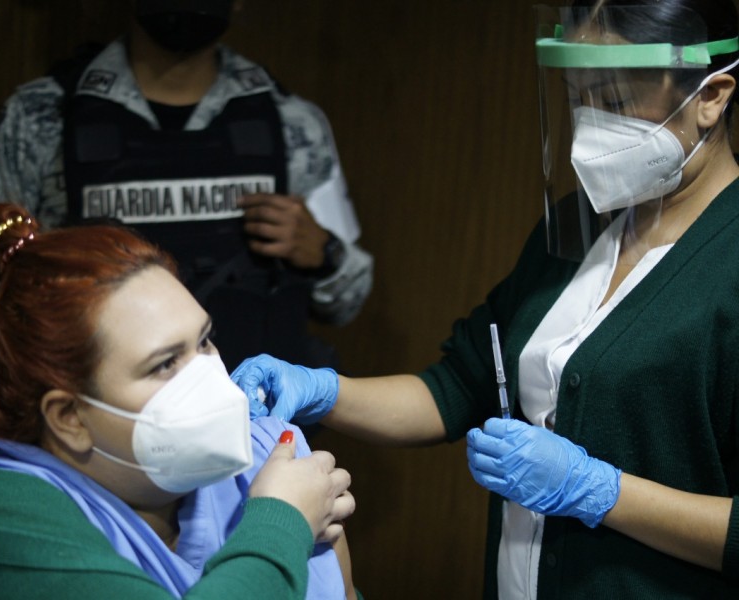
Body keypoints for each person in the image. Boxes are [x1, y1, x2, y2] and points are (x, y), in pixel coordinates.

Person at [231, 0, 739, 597]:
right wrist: (322, 390)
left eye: (616, 102)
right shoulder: (574, 233)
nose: (591, 126)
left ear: (711, 95)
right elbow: (455, 390)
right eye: (580, 98)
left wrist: (600, 492)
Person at [0, 202, 357, 599]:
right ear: (69, 417)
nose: (209, 377)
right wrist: (283, 521)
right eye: (164, 364)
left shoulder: (274, 457)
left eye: (204, 341)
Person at [0, 0, 373, 372]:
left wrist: (325, 254)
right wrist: (38, 407)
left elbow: (349, 296)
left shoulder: (290, 124)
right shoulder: (42, 117)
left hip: (254, 437)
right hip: (92, 454)